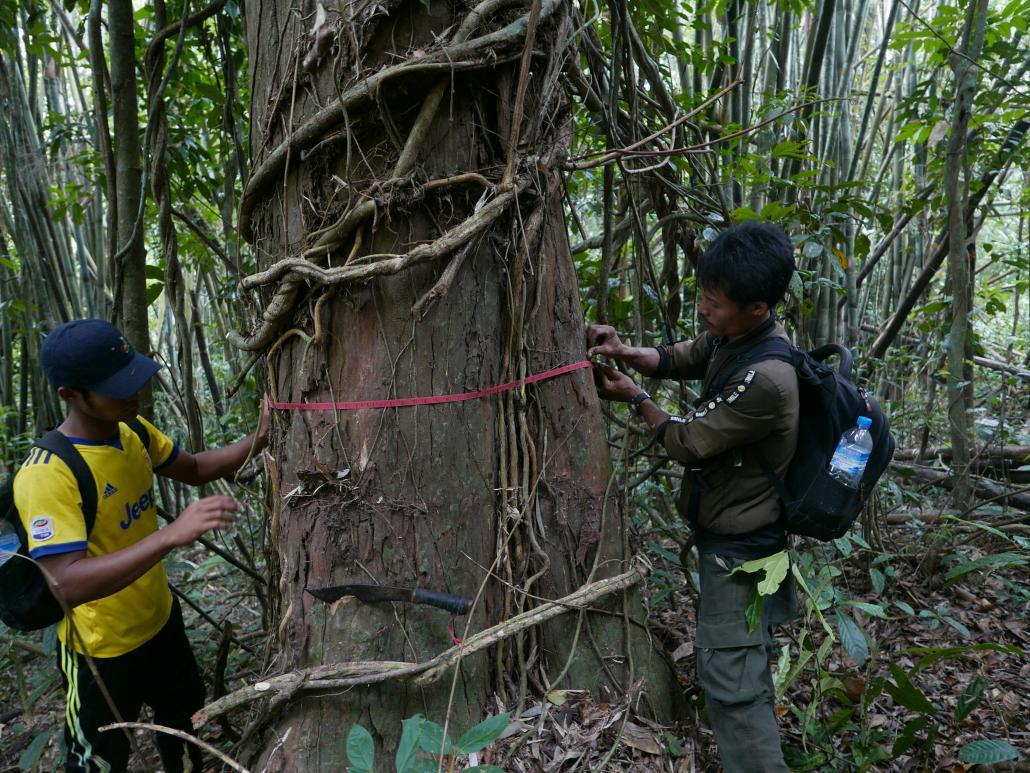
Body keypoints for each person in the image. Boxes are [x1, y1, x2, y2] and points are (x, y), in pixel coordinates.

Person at [587, 220, 799, 772]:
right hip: (739, 546)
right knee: (743, 667)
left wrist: (635, 399)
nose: (705, 310)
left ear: (757, 307)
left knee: (733, 684)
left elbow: (689, 440)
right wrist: (628, 353)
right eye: (703, 296)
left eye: (716, 303)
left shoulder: (769, 378)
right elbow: (685, 355)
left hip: (746, 556)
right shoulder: (738, 339)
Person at [14, 318, 269, 773]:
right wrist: (170, 535)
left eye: (133, 376)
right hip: (101, 652)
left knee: (186, 726)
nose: (134, 393)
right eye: (117, 387)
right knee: (98, 760)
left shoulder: (131, 431)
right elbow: (65, 583)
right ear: (70, 394)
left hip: (161, 623)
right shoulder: (48, 473)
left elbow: (192, 468)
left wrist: (262, 436)